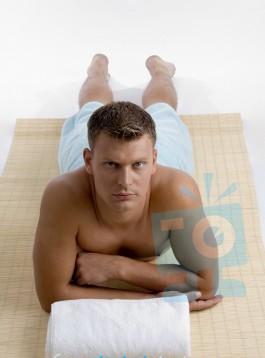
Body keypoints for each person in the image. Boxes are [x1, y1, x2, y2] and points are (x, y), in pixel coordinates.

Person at [33, 54, 223, 313]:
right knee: (90, 108)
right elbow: (52, 297)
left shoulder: (178, 191)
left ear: (154, 160)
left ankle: (160, 71)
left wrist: (117, 267)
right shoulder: (63, 194)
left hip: (161, 158)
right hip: (88, 166)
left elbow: (206, 285)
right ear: (89, 161)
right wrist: (157, 302)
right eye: (111, 165)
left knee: (163, 109)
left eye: (138, 165)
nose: (125, 182)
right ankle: (97, 71)